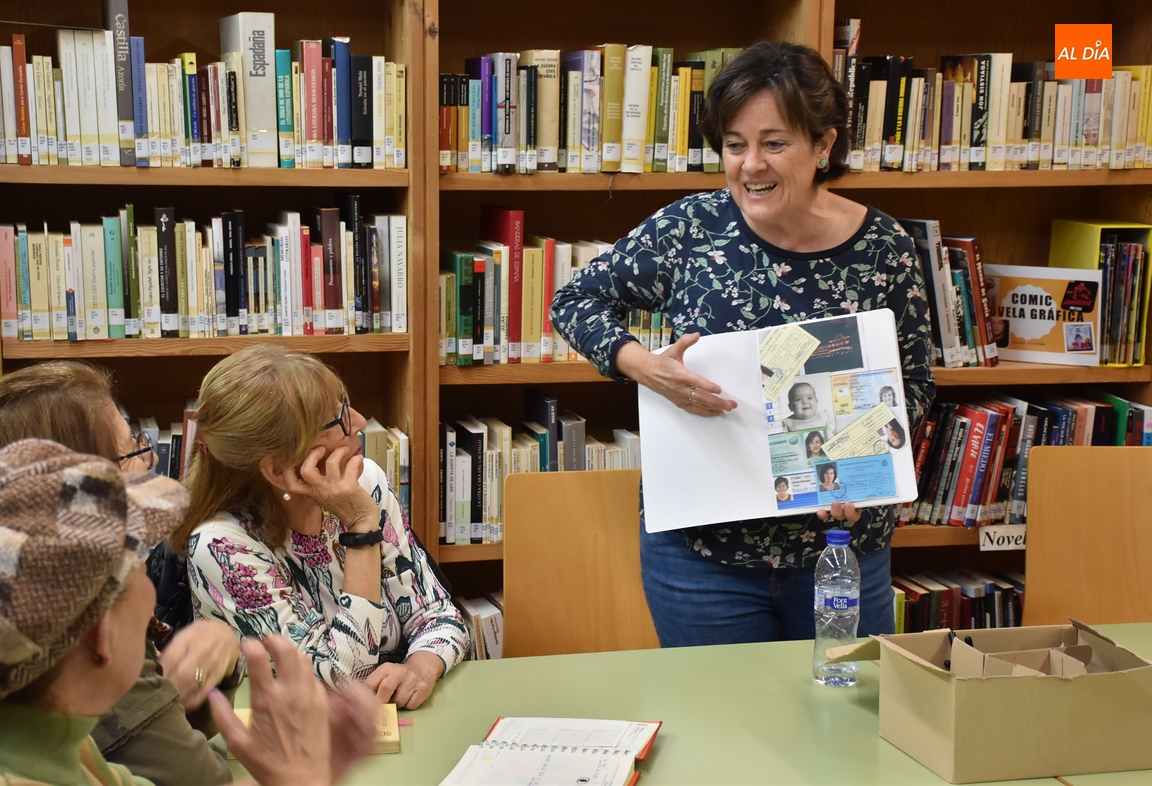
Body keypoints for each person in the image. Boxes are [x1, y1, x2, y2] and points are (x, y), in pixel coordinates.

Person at [550, 40, 935, 646]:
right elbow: (573, 302)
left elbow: (914, 382)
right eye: (735, 145)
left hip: (839, 549)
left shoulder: (883, 247)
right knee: (719, 731)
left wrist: (869, 477)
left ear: (824, 144)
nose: (751, 165)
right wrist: (643, 367)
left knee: (845, 726)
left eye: (775, 143)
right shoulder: (689, 229)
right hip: (701, 557)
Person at [0, 439, 376, 786]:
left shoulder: (43, 731)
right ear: (101, 634)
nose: (152, 581)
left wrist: (296, 769)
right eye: (139, 563)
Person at [0, 362, 241, 786]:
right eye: (129, 452)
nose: (150, 459)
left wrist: (218, 657)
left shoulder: (6, 653)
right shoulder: (75, 660)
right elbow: (199, 779)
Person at [177, 346, 469, 708]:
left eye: (346, 406)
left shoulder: (365, 482)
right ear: (278, 469)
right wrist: (361, 529)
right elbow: (343, 682)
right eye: (339, 419)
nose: (360, 422)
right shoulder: (221, 546)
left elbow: (439, 615)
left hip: (384, 729)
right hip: (293, 745)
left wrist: (420, 668)